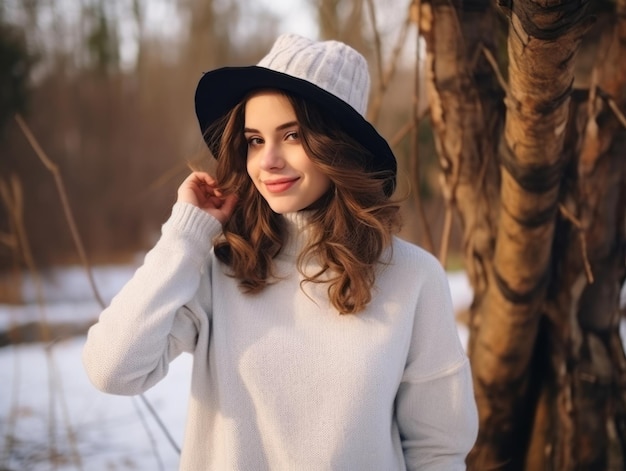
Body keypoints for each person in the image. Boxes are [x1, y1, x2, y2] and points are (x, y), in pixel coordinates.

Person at [82, 33, 478, 470]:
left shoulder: (412, 276)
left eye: (291, 136)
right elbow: (112, 369)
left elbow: (437, 452)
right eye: (254, 140)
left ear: (339, 145)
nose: (267, 161)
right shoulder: (220, 266)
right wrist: (184, 235)